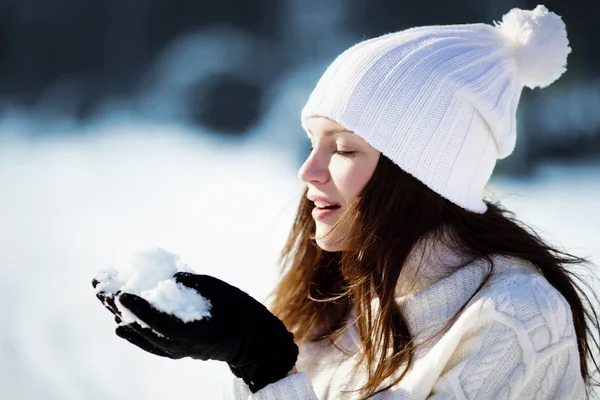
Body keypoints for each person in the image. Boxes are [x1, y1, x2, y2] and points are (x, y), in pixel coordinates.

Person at [93, 4, 600, 399]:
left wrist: (266, 367)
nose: (308, 171)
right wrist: (246, 355)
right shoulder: (343, 292)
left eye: (345, 148)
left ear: (422, 175)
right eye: (313, 141)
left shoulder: (515, 319)